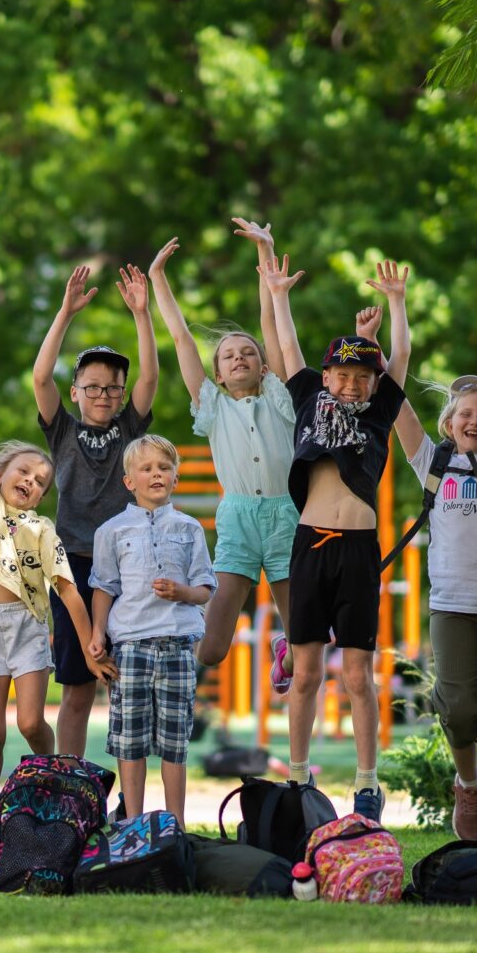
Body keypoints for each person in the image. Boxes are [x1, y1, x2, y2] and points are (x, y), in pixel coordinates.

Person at [263, 253, 413, 819]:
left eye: (361, 378)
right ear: (327, 378)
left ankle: (367, 780)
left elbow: (399, 358)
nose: (351, 385)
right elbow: (290, 350)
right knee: (304, 671)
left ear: (373, 384)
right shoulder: (308, 398)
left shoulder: (378, 412)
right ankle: (298, 775)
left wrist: (396, 303)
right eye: (342, 375)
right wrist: (279, 296)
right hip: (309, 545)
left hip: (357, 551)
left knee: (356, 674)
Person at [0, 378, 114, 836]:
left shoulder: (43, 528)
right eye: (23, 472)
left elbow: (68, 590)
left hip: (26, 626)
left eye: (41, 481)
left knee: (29, 722)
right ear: (1, 474)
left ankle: (53, 783)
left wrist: (88, 649)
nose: (30, 481)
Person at [146, 223, 297, 676]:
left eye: (247, 353)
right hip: (238, 520)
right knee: (211, 650)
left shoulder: (280, 396)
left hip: (287, 516)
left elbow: (270, 322)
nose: (238, 358)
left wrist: (266, 250)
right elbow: (181, 339)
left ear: (264, 366)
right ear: (217, 374)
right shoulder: (210, 407)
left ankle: (287, 647)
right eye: (228, 355)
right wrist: (158, 281)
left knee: (303, 638)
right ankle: (172, 664)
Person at [33, 264, 157, 756]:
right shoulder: (61, 430)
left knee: (128, 681)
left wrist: (142, 315)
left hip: (128, 565)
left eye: (112, 387)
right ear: (76, 392)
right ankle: (69, 779)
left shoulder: (130, 426)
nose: (104, 395)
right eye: (93, 386)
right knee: (79, 684)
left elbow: (150, 373)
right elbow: (41, 374)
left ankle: (130, 791)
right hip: (73, 566)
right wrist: (65, 312)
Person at [88, 435, 216, 826]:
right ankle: (134, 823)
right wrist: (97, 634)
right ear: (130, 481)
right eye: (146, 469)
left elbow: (205, 587)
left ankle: (174, 823)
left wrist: (182, 592)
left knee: (175, 743)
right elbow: (103, 586)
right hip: (130, 648)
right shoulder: (111, 530)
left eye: (163, 467)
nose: (156, 474)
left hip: (177, 647)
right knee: (130, 741)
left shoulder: (189, 528)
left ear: (175, 478)